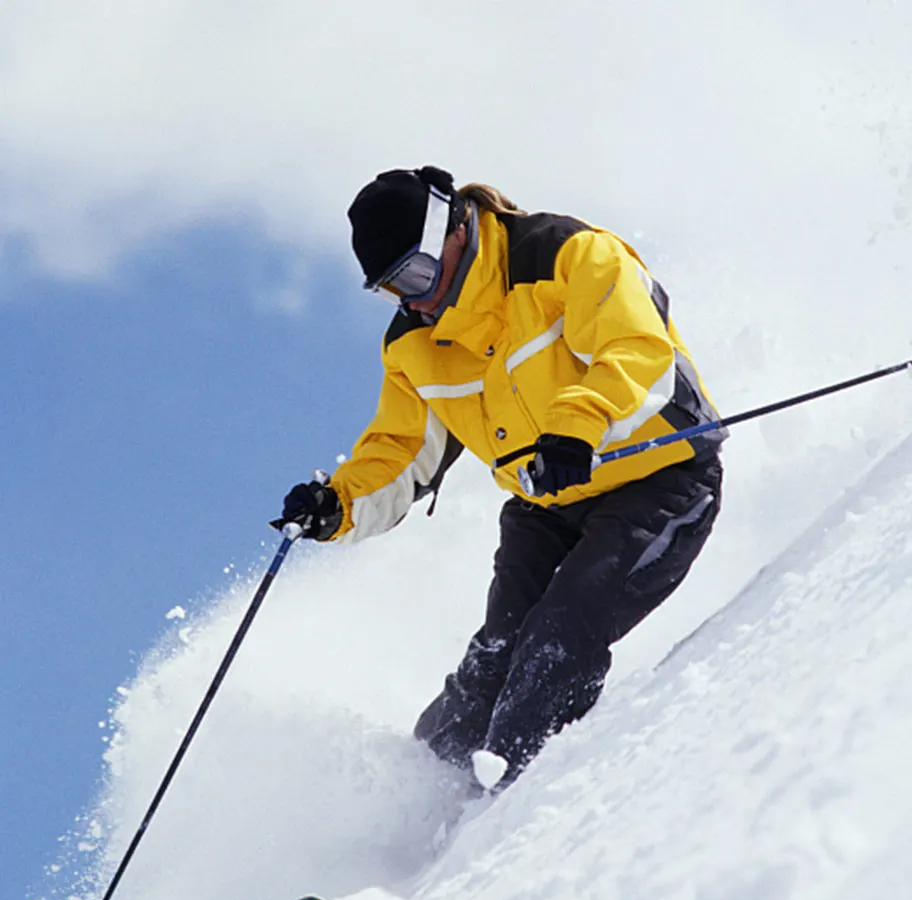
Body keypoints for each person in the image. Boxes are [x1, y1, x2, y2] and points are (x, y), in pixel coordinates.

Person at [280, 165, 726, 792]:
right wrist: (339, 504)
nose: (413, 299)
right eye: (391, 289)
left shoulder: (565, 254)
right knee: (490, 662)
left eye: (415, 274)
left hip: (660, 477)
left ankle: (502, 824)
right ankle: (418, 818)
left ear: (455, 230)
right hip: (545, 506)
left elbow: (638, 350)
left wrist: (577, 426)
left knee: (559, 634)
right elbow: (403, 450)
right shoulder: (415, 343)